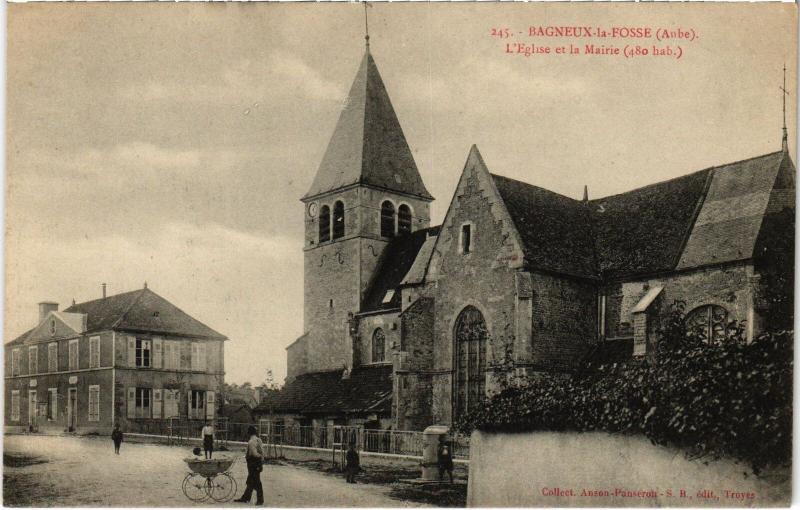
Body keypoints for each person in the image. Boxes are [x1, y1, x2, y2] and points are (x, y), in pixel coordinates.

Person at [234, 425, 264, 505]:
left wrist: (257, 457)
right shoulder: (259, 440)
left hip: (252, 462)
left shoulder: (251, 442)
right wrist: (261, 460)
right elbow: (262, 452)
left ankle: (260, 500)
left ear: (249, 433)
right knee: (250, 480)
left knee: (256, 481)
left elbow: (254, 453)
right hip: (258, 462)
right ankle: (246, 497)